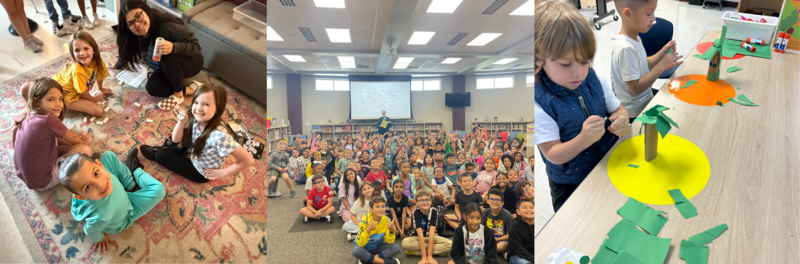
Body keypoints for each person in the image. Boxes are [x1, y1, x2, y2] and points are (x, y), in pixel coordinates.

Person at [533, 1, 630, 213]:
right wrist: (583, 140)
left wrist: (622, 121)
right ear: (539, 60)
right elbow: (553, 154)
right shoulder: (539, 102)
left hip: (607, 165)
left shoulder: (593, 79)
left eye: (585, 61)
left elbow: (619, 110)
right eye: (566, 64)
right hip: (570, 183)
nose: (579, 73)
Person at [140, 84, 254, 183]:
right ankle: (168, 148)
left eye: (206, 104)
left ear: (218, 108)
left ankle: (159, 153)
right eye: (196, 102)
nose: (198, 108)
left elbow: (248, 160)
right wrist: (181, 121)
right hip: (195, 149)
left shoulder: (221, 137)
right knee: (176, 138)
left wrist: (223, 173)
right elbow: (176, 139)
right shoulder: (196, 116)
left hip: (199, 170)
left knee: (161, 155)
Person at [62, 151, 165, 254]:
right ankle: (135, 170)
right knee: (159, 190)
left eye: (96, 173)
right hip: (128, 212)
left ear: (100, 165)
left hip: (122, 195)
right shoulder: (101, 216)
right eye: (88, 187)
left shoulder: (102, 175)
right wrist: (99, 238)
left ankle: (130, 184)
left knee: (108, 155)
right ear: (80, 196)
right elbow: (90, 230)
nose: (100, 185)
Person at [115, 0, 204, 103]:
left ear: (146, 11)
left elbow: (196, 47)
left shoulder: (166, 25)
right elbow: (125, 51)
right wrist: (117, 65)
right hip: (165, 66)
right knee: (152, 87)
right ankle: (190, 89)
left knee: (166, 57)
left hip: (191, 61)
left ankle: (178, 93)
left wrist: (173, 47)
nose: (137, 24)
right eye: (131, 23)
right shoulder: (131, 35)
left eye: (138, 16)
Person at [13, 78, 93, 190]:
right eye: (51, 99)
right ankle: (59, 163)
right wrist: (84, 141)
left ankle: (58, 159)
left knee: (65, 142)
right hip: (43, 181)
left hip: (25, 174)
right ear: (36, 100)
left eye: (60, 99)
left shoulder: (31, 111)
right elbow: (75, 138)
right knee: (86, 150)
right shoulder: (47, 119)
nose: (59, 104)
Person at [611, 0, 683, 120]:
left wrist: (661, 54)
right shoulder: (626, 48)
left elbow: (643, 63)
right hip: (635, 110)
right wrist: (661, 67)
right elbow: (635, 88)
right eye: (649, 14)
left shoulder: (635, 37)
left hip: (644, 99)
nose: (653, 19)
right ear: (628, 14)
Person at [50, 31, 110, 117]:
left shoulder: (98, 60)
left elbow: (100, 74)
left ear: (93, 49)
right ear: (73, 53)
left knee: (98, 109)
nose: (82, 53)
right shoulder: (77, 71)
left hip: (72, 88)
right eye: (77, 50)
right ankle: (61, 104)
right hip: (64, 95)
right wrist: (93, 99)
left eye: (86, 48)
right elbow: (83, 93)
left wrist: (101, 88)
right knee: (99, 111)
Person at [401, 189, 452, 259]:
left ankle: (418, 252)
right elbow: (420, 236)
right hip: (417, 237)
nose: (424, 202)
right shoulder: (415, 212)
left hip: (432, 236)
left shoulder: (434, 211)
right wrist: (424, 257)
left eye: (427, 200)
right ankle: (433, 250)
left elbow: (431, 235)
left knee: (450, 244)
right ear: (416, 203)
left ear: (431, 201)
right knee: (405, 242)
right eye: (421, 200)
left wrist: (430, 256)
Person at [352, 196, 401, 264]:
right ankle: (386, 262)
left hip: (379, 246)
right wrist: (368, 229)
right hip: (366, 247)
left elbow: (389, 241)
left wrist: (391, 231)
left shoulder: (387, 220)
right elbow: (360, 243)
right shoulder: (365, 220)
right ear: (371, 209)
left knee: (396, 248)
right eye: (377, 207)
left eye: (383, 206)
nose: (381, 209)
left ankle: (369, 260)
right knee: (356, 251)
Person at [482, 189, 513, 255]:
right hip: (488, 238)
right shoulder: (485, 213)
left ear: (502, 203)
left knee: (501, 246)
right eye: (492, 199)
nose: (494, 202)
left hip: (501, 239)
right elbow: (481, 229)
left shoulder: (507, 215)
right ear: (487, 201)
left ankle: (486, 252)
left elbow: (509, 235)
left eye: (497, 200)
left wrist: (496, 240)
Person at [507, 200, 534, 264]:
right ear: (518, 211)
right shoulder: (514, 227)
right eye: (524, 208)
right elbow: (519, 250)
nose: (529, 210)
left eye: (531, 207)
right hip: (518, 255)